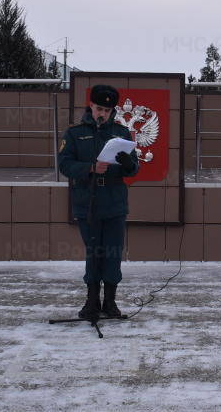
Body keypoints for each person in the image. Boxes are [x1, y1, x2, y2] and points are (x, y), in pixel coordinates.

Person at [58, 84, 139, 322]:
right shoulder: (75, 133)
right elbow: (64, 164)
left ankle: (110, 302)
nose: (102, 113)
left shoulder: (121, 133)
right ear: (91, 105)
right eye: (99, 108)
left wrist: (127, 164)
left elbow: (134, 168)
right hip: (88, 199)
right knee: (94, 251)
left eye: (107, 109)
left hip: (114, 201)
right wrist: (90, 168)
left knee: (113, 252)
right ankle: (91, 301)